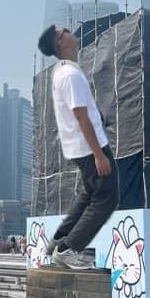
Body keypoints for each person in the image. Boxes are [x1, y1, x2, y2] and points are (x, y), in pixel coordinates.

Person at [37, 23, 119, 270]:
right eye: (65, 32)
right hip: (89, 147)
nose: (70, 33)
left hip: (79, 147)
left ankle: (59, 240)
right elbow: (81, 117)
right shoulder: (70, 75)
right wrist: (99, 155)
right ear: (60, 43)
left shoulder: (62, 71)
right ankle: (68, 249)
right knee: (107, 197)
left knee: (90, 194)